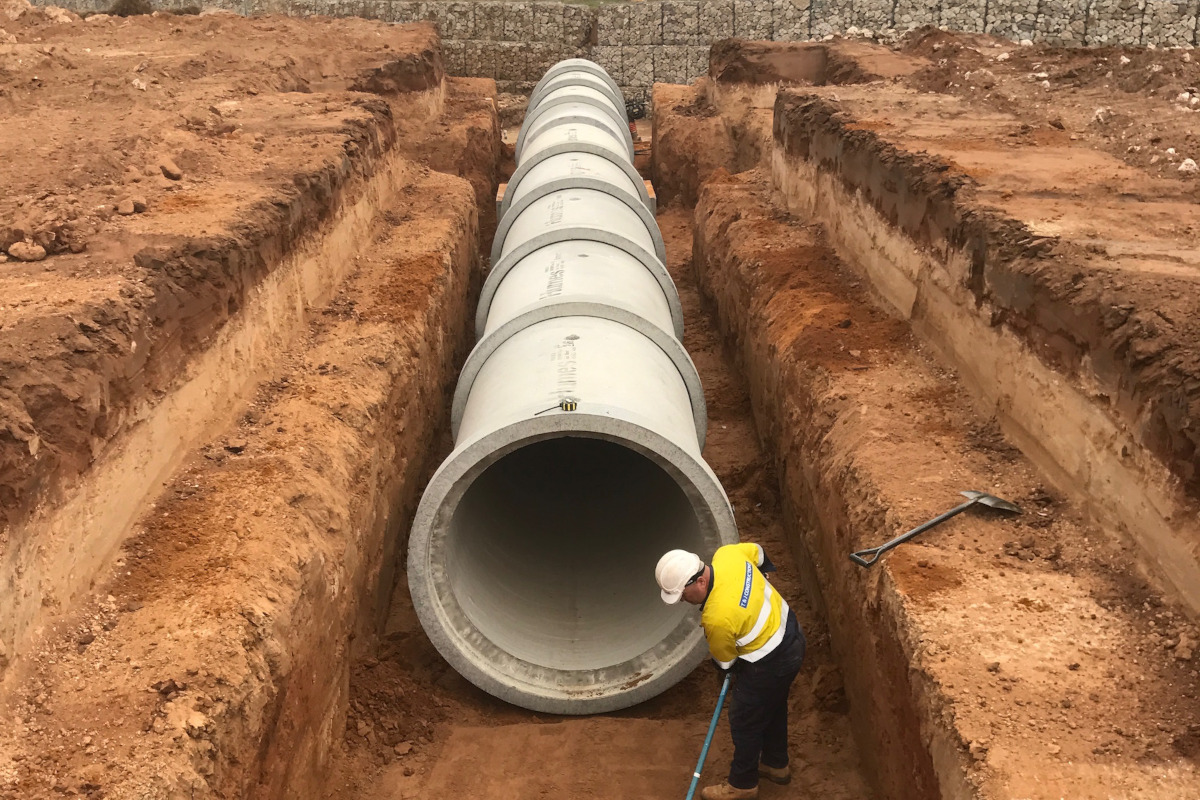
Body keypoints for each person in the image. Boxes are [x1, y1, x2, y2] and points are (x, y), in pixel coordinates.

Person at [655, 545, 806, 800]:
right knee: (773, 704)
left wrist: (737, 682)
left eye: (682, 594)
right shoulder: (728, 555)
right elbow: (759, 553)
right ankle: (775, 764)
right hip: (792, 635)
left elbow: (726, 664)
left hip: (771, 661)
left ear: (700, 582)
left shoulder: (717, 617)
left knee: (744, 719)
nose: (681, 600)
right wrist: (762, 575)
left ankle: (743, 784)